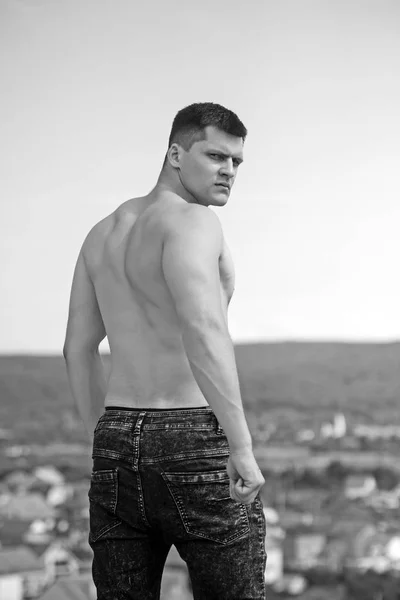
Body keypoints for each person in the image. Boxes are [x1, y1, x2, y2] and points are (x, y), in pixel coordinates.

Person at [63, 102, 267, 599]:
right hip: (192, 438)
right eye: (215, 155)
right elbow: (203, 328)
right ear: (176, 153)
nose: (228, 171)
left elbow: (77, 348)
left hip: (115, 436)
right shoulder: (193, 222)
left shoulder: (102, 233)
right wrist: (240, 447)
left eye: (237, 162)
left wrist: (105, 440)